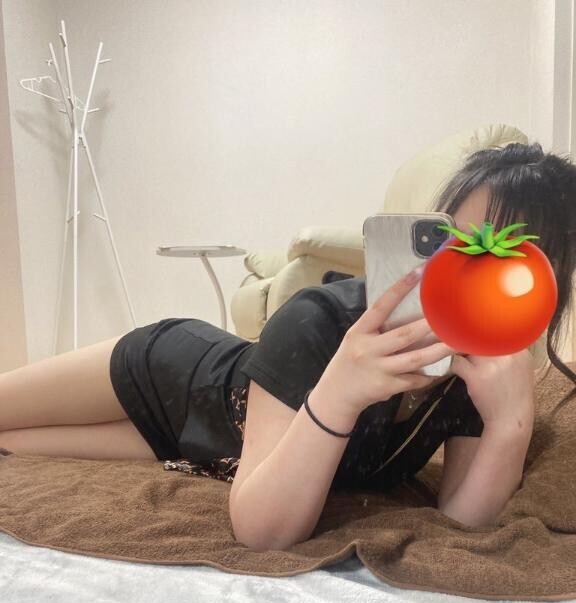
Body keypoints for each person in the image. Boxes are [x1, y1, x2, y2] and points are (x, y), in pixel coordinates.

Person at [1, 142, 575, 549]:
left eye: (513, 264)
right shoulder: (320, 319)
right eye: (460, 245)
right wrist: (340, 391)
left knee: (11, 447)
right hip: (171, 371)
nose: (476, 275)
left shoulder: (488, 374)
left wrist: (511, 427)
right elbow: (260, 532)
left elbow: (459, 526)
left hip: (197, 447)